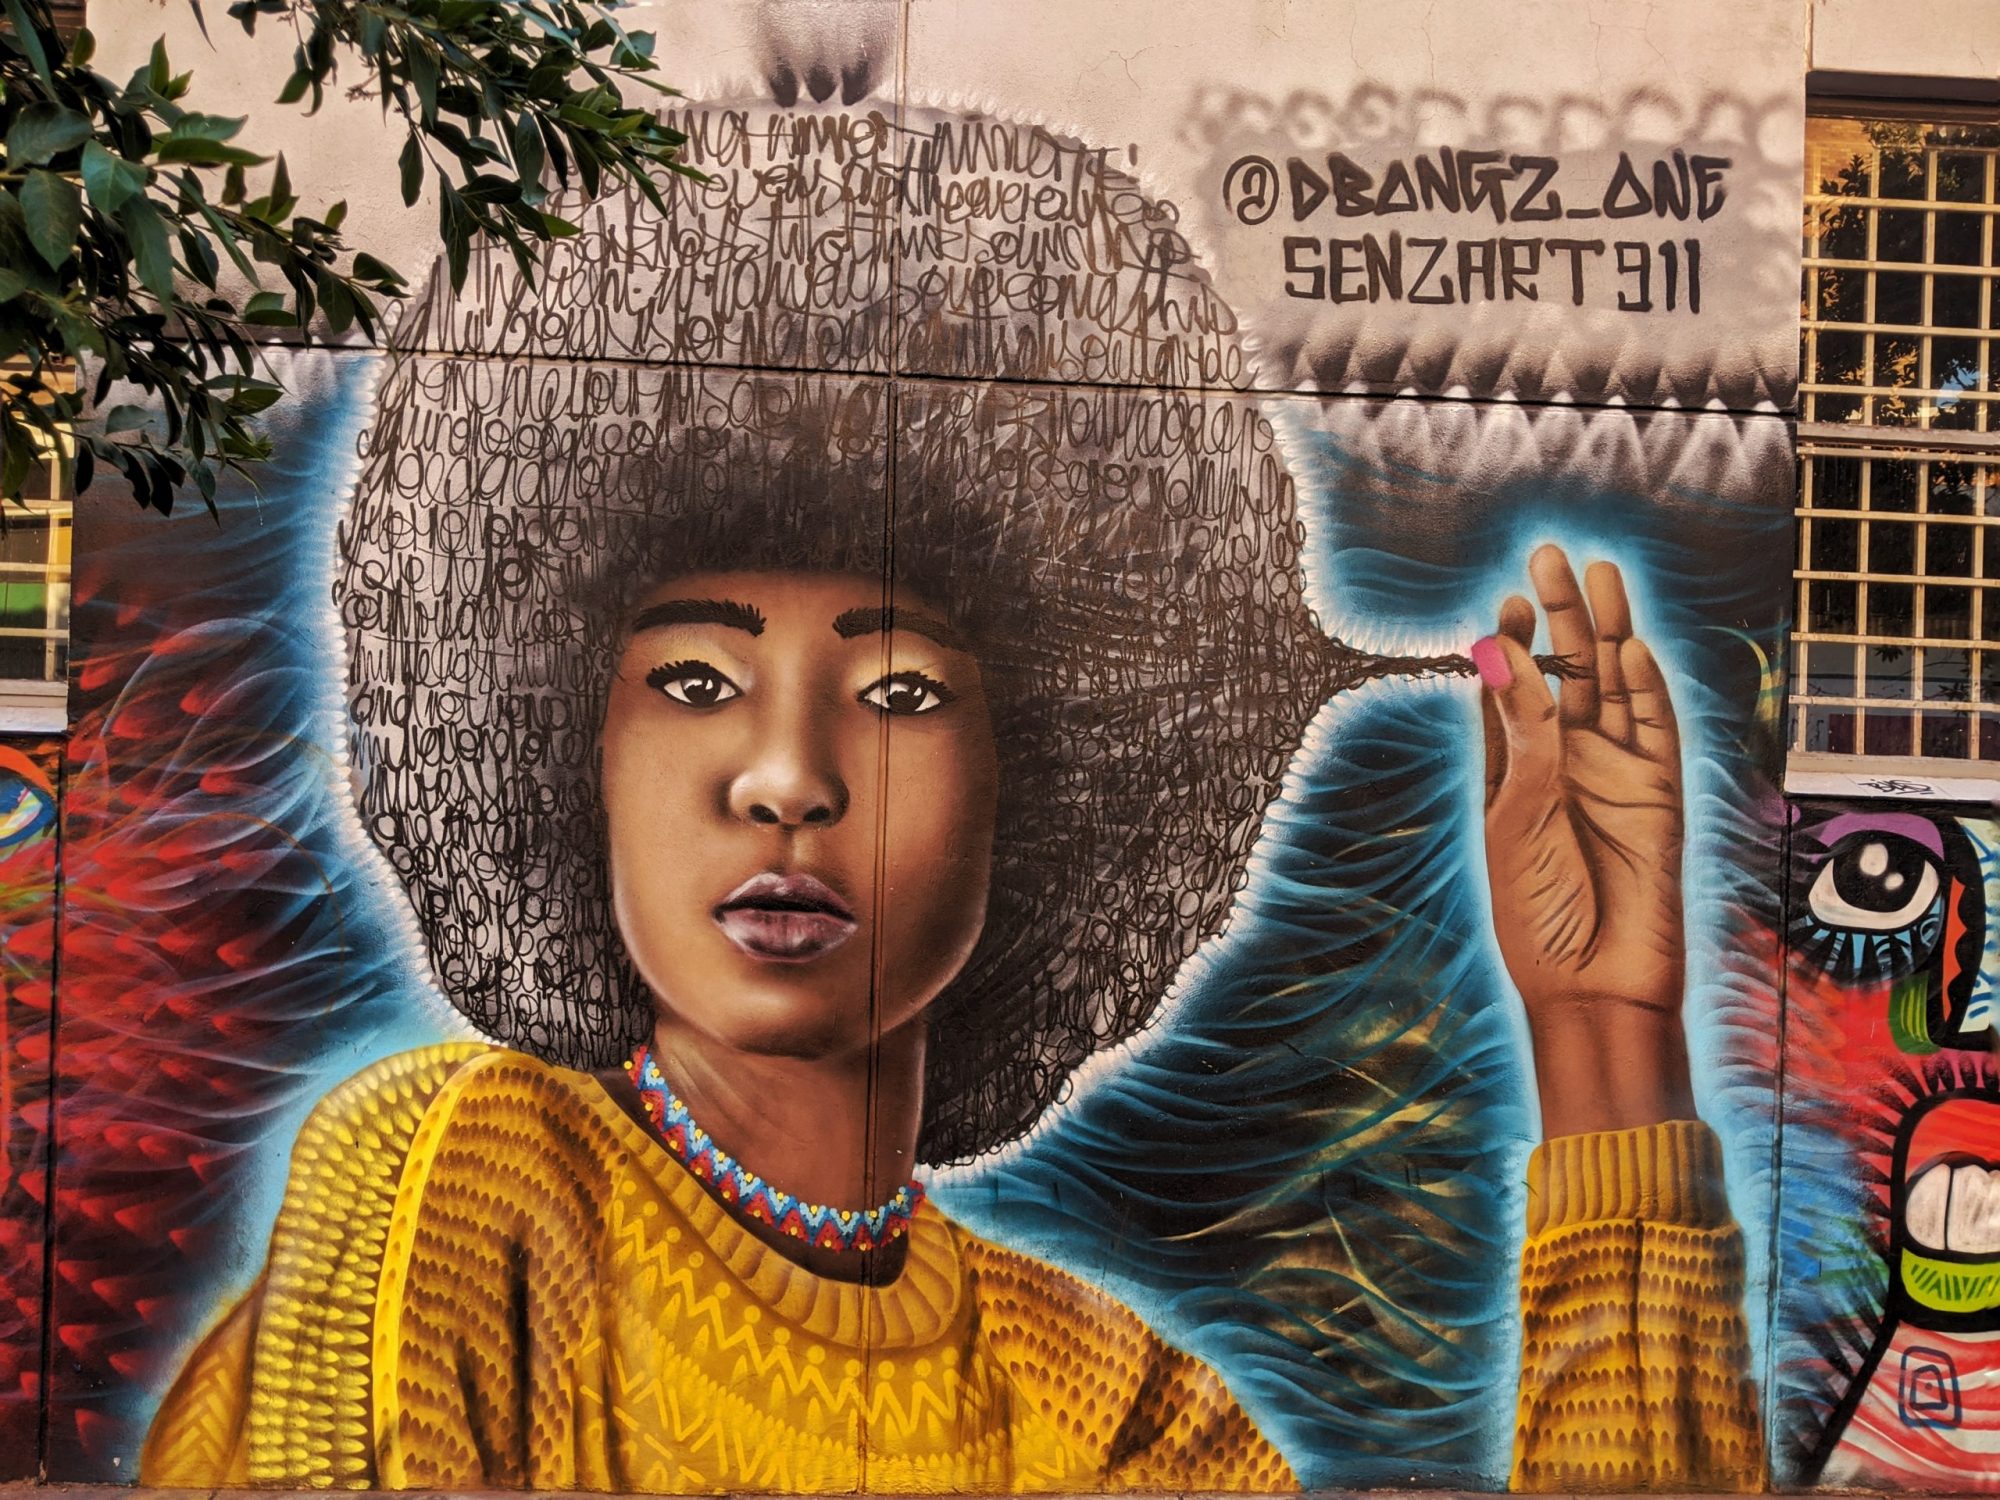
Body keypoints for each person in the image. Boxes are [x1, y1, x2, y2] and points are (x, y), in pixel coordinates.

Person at [141, 96, 1764, 1492]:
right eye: (695, 682)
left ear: (1047, 795)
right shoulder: (460, 1175)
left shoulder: (1117, 1410)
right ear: (571, 749)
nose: (786, 777)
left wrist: (1603, 1034)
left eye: (902, 693)